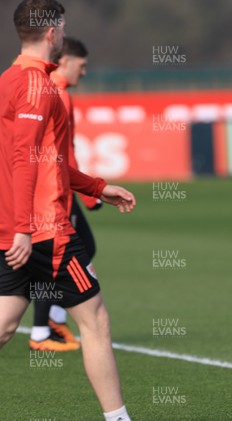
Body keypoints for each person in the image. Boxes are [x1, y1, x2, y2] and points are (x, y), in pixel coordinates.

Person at [0, 1, 133, 420]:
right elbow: (24, 157)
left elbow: (45, 159)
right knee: (95, 321)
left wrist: (96, 187)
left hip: (14, 228)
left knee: (4, 325)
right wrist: (25, 226)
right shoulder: (39, 88)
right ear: (53, 33)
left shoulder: (9, 80)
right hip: (43, 231)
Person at [29, 36, 102, 352]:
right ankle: (44, 329)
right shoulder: (57, 94)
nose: (83, 73)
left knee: (75, 250)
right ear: (66, 61)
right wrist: (90, 193)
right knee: (75, 251)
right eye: (82, 66)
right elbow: (63, 153)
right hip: (53, 193)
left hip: (45, 189)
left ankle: (49, 323)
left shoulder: (43, 89)